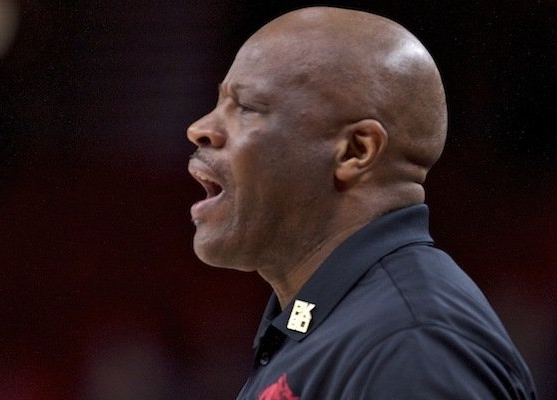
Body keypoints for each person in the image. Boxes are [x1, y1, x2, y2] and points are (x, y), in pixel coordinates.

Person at [186, 6, 537, 400]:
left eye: (246, 107)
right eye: (219, 103)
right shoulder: (333, 321)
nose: (200, 128)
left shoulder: (410, 347)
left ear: (356, 151)